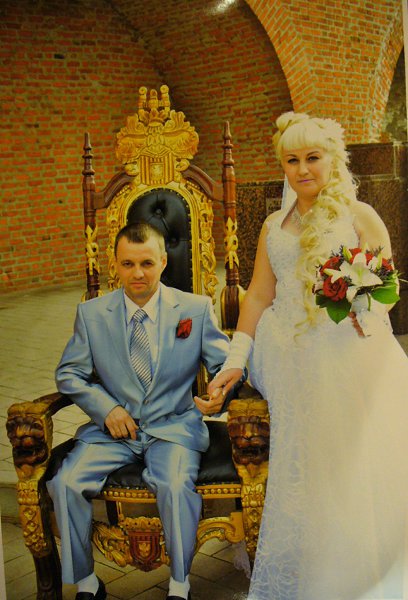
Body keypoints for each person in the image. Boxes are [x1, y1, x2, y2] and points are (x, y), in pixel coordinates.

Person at [208, 112, 408, 600]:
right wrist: (235, 359)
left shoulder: (360, 217)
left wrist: (361, 310)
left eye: (312, 158)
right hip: (284, 344)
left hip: (348, 340)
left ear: (332, 159)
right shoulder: (273, 225)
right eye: (291, 160)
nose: (302, 169)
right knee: (311, 371)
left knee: (335, 381)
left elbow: (385, 288)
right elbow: (258, 295)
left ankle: (351, 558)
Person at [47, 221, 237, 600]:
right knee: (65, 481)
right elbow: (69, 373)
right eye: (128, 264)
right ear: (114, 264)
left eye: (147, 263)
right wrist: (106, 408)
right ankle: (86, 582)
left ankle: (179, 584)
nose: (137, 273)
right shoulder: (92, 314)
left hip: (173, 427)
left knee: (174, 484)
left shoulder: (195, 310)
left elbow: (225, 366)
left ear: (163, 261)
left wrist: (220, 393)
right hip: (113, 432)